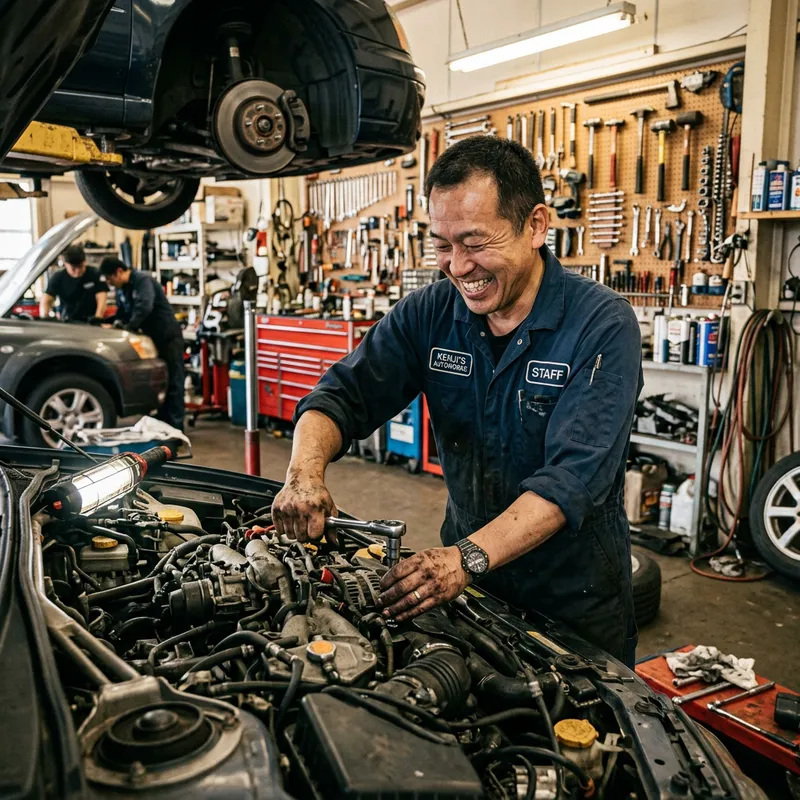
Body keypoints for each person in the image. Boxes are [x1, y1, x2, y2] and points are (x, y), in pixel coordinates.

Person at [271, 136, 643, 667]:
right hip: (469, 590)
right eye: (443, 245)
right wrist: (303, 474)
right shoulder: (431, 312)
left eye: (475, 242)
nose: (457, 266)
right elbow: (339, 396)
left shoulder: (602, 325)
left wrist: (465, 558)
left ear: (536, 226)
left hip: (573, 601)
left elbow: (572, 479)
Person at [99, 257, 186, 431]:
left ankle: (176, 427)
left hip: (167, 337)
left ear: (119, 272)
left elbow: (144, 307)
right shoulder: (123, 289)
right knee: (161, 382)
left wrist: (129, 327)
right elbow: (122, 313)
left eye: (110, 279)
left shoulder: (142, 280)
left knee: (174, 382)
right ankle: (164, 423)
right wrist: (102, 321)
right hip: (151, 340)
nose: (110, 284)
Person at [40, 244, 108, 322]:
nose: (77, 271)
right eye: (73, 268)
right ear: (65, 264)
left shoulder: (95, 274)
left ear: (84, 261)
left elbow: (102, 299)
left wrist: (98, 318)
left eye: (81, 266)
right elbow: (46, 301)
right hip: (67, 322)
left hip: (91, 321)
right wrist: (45, 318)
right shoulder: (58, 278)